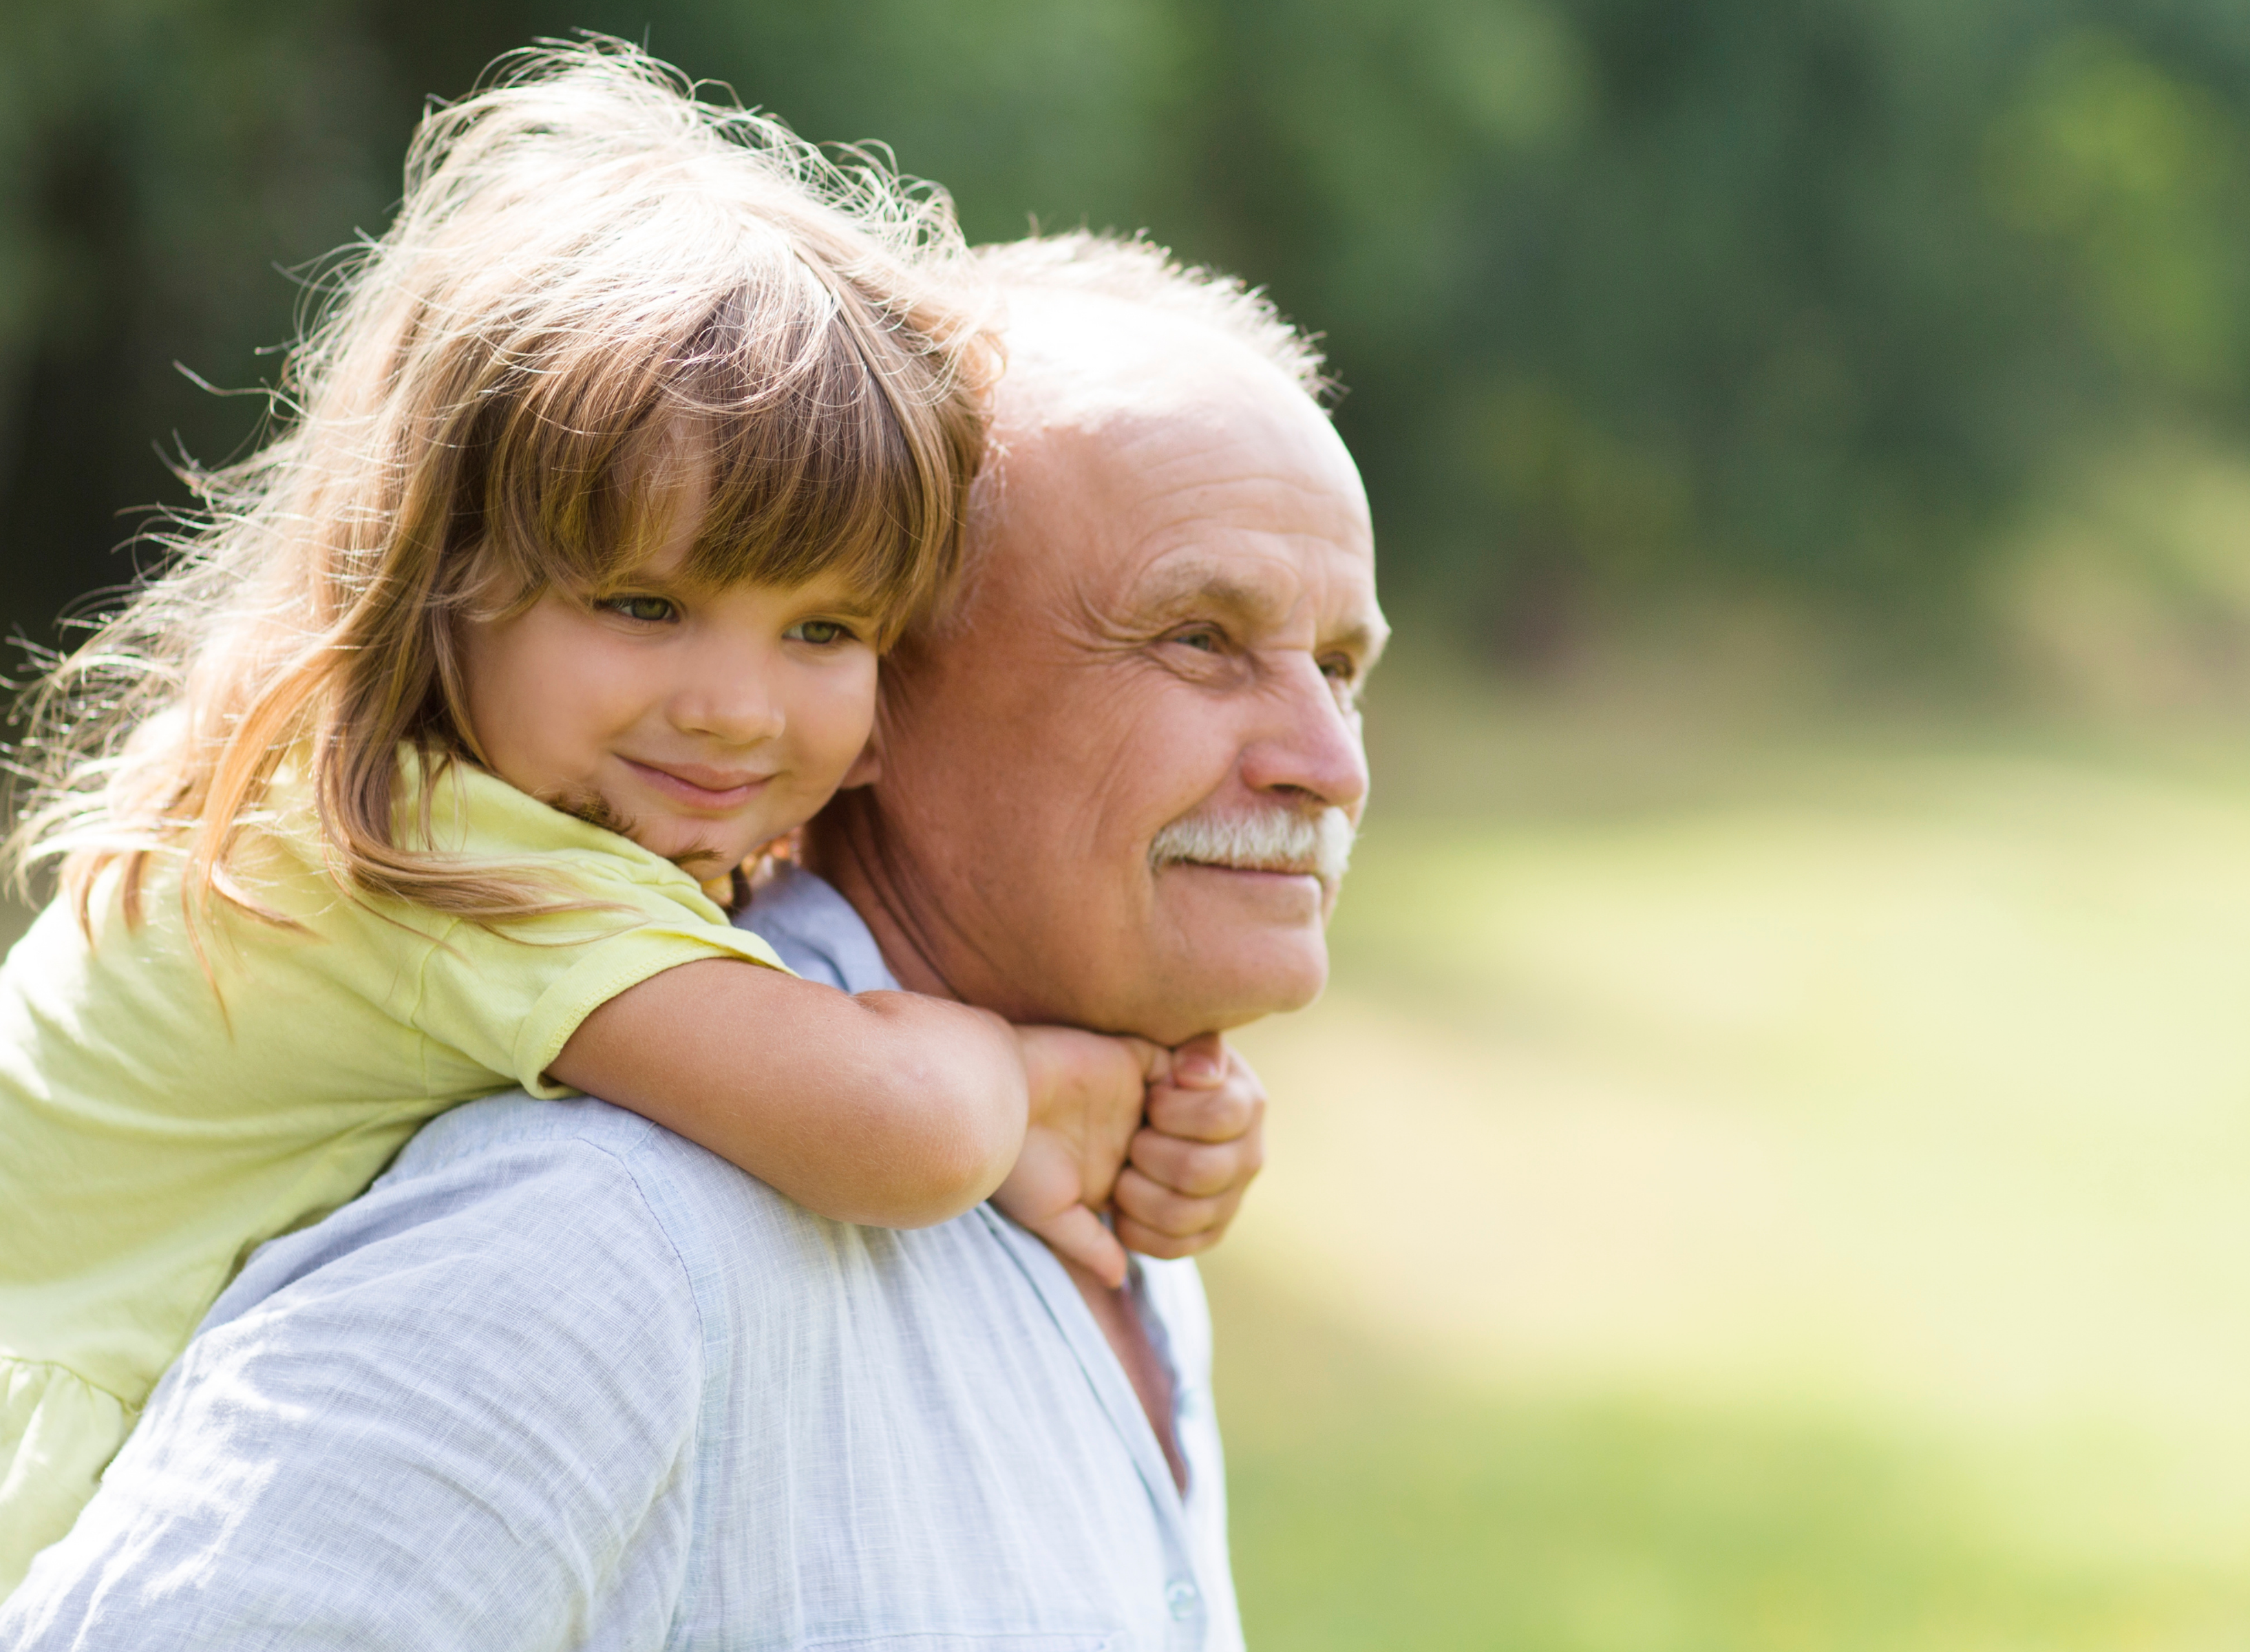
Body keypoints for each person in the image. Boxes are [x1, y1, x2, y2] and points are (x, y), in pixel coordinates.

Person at [0, 209, 1368, 1645]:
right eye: (1197, 639)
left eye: (1342, 665)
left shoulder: (1094, 1201)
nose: (1328, 761)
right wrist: (1036, 1094)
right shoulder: (591, 1214)